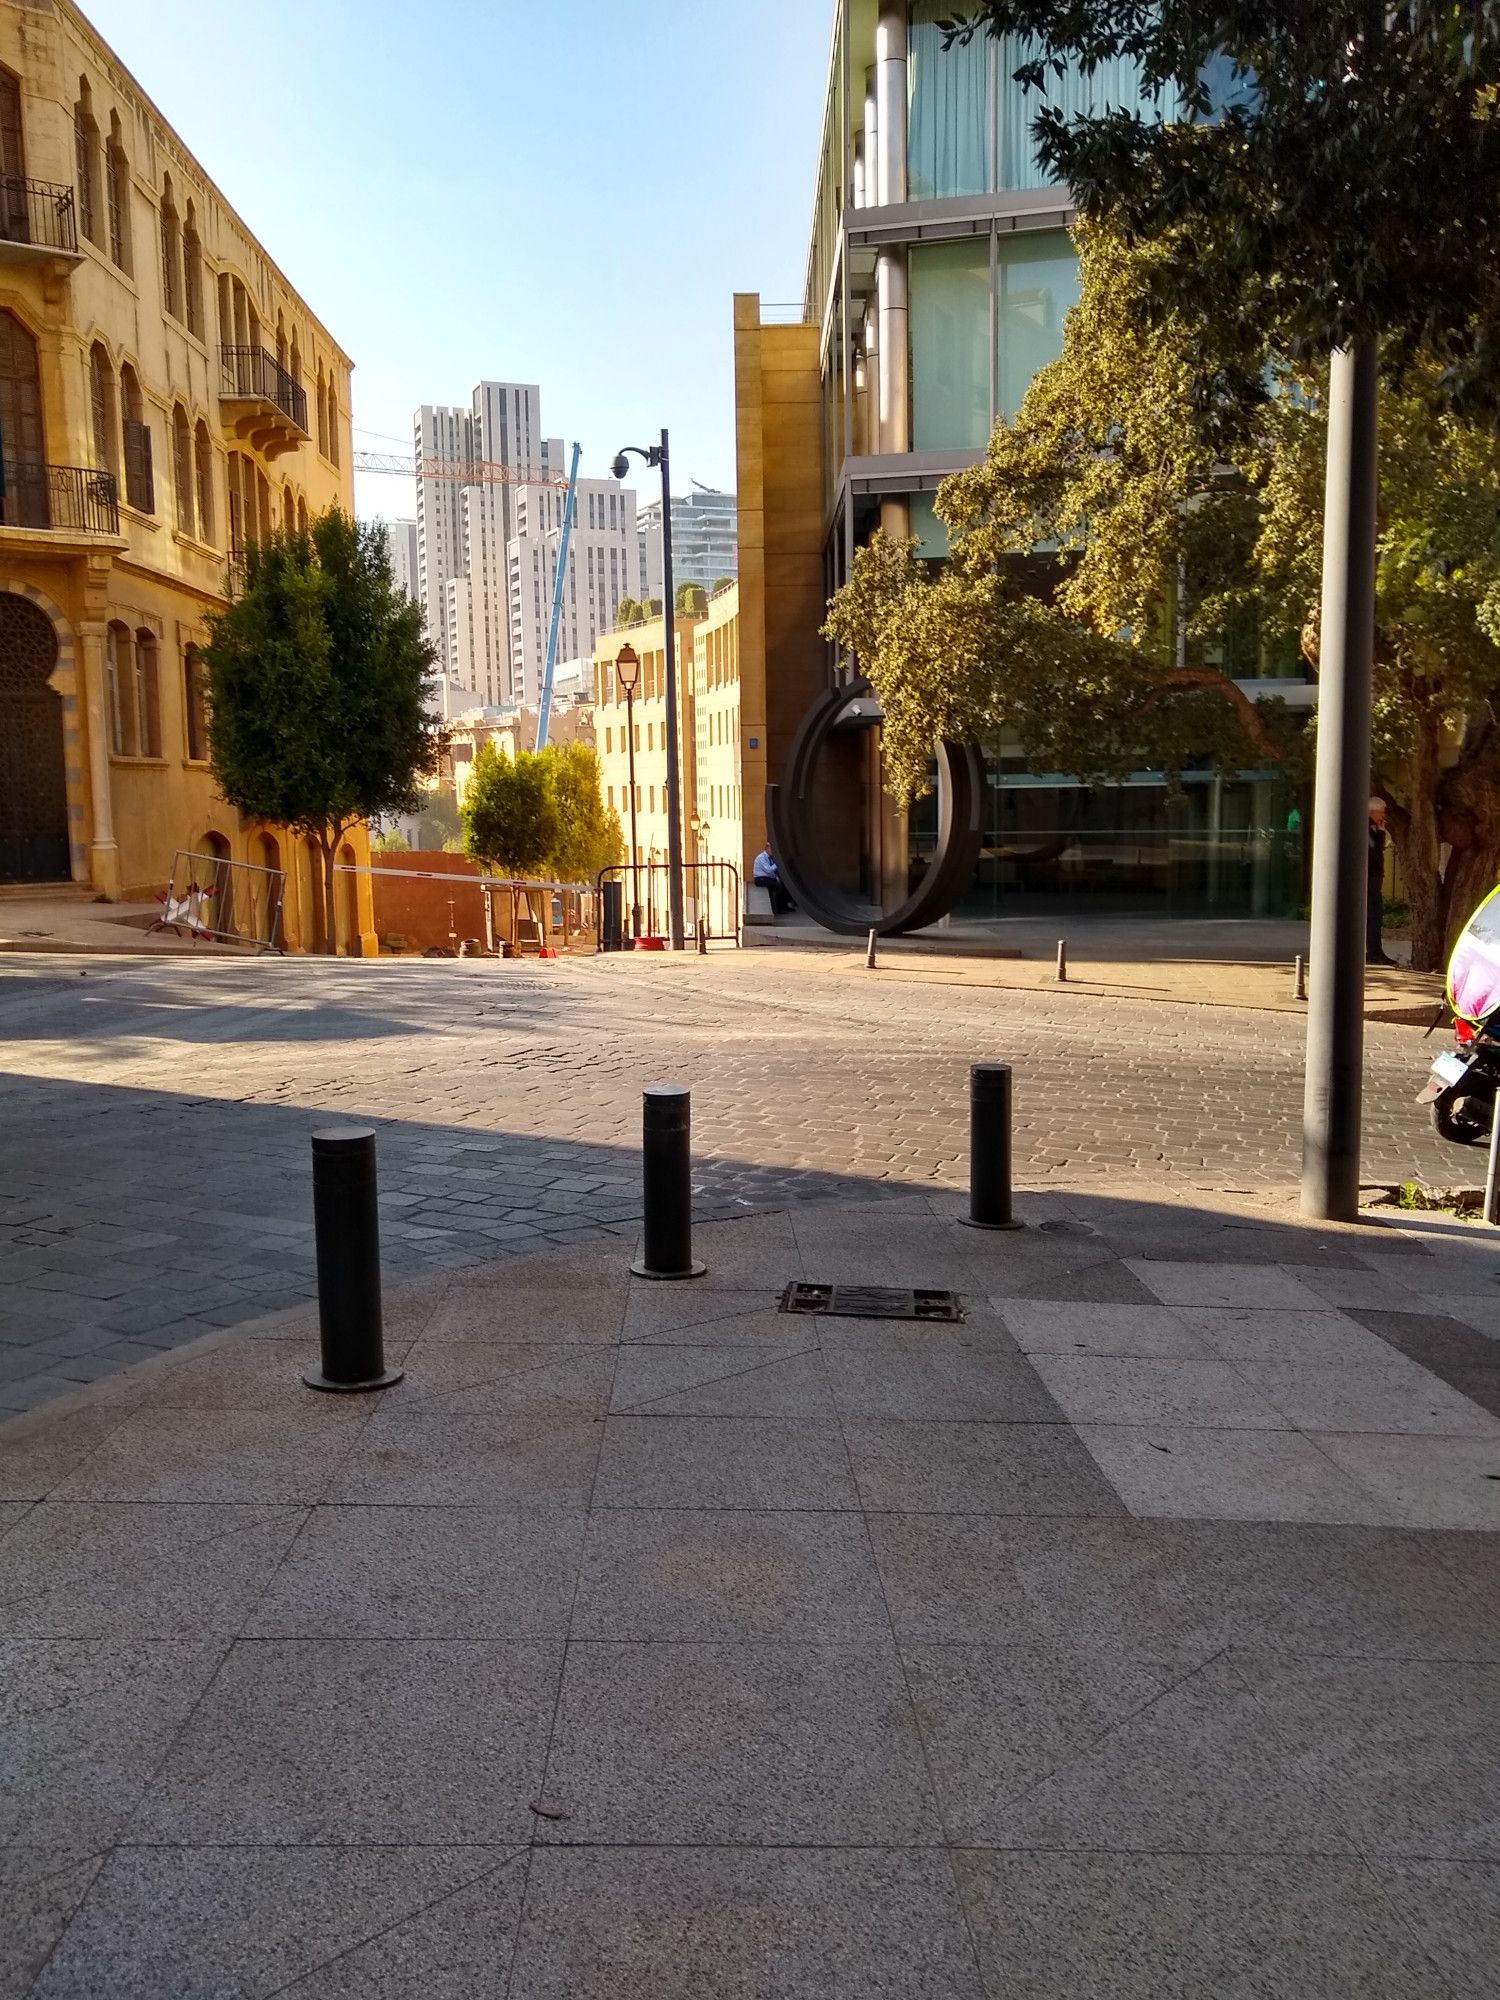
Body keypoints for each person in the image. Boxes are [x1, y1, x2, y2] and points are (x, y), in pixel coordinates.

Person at [1367, 797, 1396, 966]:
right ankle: (1374, 952)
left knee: (1375, 915)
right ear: (1373, 812)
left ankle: (1375, 951)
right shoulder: (1369, 828)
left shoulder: (1372, 827)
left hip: (1373, 877)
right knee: (1373, 915)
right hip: (1370, 878)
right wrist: (1381, 833)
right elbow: (1375, 852)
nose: (1383, 816)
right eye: (1381, 812)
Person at [753, 840, 793, 917]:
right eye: (772, 849)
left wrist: (777, 876)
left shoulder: (769, 858)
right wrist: (777, 863)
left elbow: (772, 872)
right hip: (761, 879)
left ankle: (784, 906)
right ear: (767, 848)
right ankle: (777, 908)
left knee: (785, 885)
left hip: (768, 878)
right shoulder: (761, 857)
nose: (774, 851)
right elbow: (768, 870)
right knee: (778, 887)